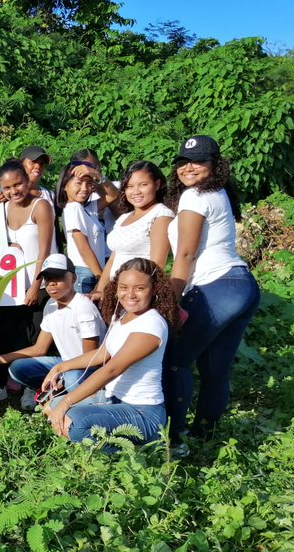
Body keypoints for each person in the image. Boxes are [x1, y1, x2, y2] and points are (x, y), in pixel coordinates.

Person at [163, 135, 260, 449]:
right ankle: (205, 436)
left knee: (177, 360)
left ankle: (175, 438)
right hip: (241, 285)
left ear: (215, 164)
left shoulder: (195, 196)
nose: (188, 167)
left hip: (216, 285)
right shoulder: (219, 193)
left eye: (199, 161)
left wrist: (171, 299)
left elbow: (187, 255)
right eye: (183, 161)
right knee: (214, 370)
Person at [42, 258, 178, 452]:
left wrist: (67, 401)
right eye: (123, 287)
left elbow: (113, 369)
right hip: (114, 399)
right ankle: (99, 439)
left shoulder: (151, 324)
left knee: (74, 421)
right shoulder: (123, 315)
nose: (130, 294)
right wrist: (60, 367)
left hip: (142, 413)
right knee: (51, 409)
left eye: (139, 288)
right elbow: (101, 354)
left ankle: (134, 454)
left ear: (154, 289)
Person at [0, 254, 104, 410]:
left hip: (88, 369)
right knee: (17, 368)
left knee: (72, 376)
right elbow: (39, 349)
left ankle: (86, 401)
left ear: (73, 278)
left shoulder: (83, 308)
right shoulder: (50, 305)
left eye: (58, 277)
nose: (52, 283)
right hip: (65, 364)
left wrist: (60, 370)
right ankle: (60, 391)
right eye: (47, 279)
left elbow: (91, 359)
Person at [0, 160, 57, 407]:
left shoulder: (41, 206)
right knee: (7, 335)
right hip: (11, 287)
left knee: (34, 339)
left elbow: (44, 253)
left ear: (27, 180)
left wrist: (36, 286)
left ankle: (30, 388)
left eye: (18, 184)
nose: (14, 191)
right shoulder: (1, 208)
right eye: (7, 187)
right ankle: (0, 385)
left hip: (40, 287)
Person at [90, 161, 173, 302]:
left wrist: (136, 297)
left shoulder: (161, 215)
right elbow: (113, 259)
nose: (136, 192)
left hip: (135, 298)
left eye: (143, 185)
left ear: (157, 185)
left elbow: (157, 265)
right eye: (129, 186)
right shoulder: (124, 217)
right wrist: (99, 290)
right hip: (115, 293)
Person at [56, 160, 107, 293]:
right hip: (87, 274)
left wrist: (97, 175)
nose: (84, 188)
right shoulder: (74, 208)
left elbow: (113, 196)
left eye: (89, 183)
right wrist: (101, 277)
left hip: (91, 272)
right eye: (78, 183)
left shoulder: (87, 209)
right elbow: (83, 247)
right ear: (65, 186)